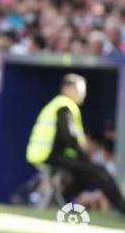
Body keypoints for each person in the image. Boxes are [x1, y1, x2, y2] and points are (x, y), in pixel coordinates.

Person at [26, 73, 125, 213]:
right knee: (99, 171)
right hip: (50, 155)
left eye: (83, 90)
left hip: (45, 154)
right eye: (79, 90)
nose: (82, 94)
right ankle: (122, 207)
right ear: (66, 89)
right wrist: (85, 156)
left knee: (85, 173)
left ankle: (64, 202)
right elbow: (68, 138)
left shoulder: (59, 105)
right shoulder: (65, 106)